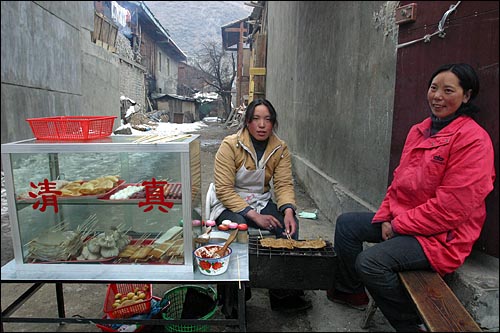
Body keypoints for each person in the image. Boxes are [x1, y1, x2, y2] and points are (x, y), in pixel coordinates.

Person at [327, 63, 495, 332]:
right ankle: (350, 292)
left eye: (448, 90)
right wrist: (385, 217)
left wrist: (398, 224)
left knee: (371, 263)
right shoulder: (420, 130)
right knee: (347, 225)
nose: (437, 96)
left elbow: (451, 210)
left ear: (466, 96)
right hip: (404, 220)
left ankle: (410, 324)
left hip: (441, 236)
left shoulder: (473, 140)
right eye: (433, 88)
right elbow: (398, 182)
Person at [207, 98, 312, 315]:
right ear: (247, 122)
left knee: (287, 228)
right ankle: (234, 298)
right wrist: (253, 216)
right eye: (256, 119)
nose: (262, 125)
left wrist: (289, 210)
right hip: (229, 200)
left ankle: (282, 293)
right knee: (234, 229)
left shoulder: (280, 149)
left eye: (267, 119)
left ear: (273, 123)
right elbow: (224, 189)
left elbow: (283, 184)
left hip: (259, 199)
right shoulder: (230, 145)